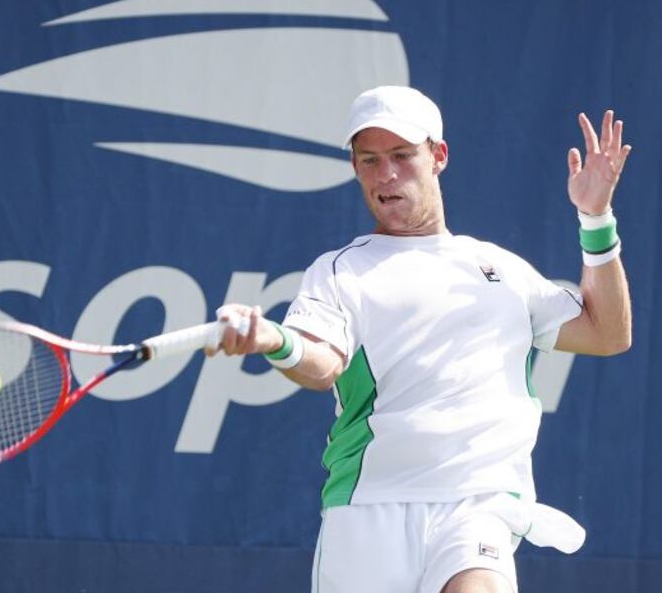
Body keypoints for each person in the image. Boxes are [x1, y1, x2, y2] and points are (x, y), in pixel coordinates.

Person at [207, 86, 632, 593]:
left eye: (402, 156)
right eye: (369, 160)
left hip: (477, 506)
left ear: (438, 156)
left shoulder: (502, 270)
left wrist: (596, 218)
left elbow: (607, 334)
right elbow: (321, 365)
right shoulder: (340, 272)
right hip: (367, 509)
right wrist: (272, 340)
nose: (385, 175)